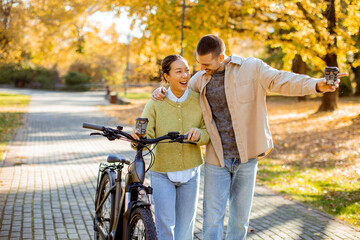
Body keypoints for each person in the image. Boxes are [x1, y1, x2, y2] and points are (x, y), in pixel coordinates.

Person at [151, 35, 345, 240]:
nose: (202, 68)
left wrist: (316, 85)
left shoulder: (251, 68)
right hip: (216, 158)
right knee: (211, 221)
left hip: (247, 159)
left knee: (239, 221)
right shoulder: (199, 79)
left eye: (206, 64)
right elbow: (178, 94)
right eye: (199, 64)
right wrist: (160, 92)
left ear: (222, 57)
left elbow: (282, 80)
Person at [131, 54, 209, 240]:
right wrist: (138, 138)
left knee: (186, 227)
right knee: (165, 226)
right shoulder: (155, 103)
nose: (185, 75)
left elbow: (208, 132)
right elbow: (145, 137)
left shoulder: (199, 100)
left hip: (191, 173)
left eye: (187, 70)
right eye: (179, 71)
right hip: (162, 173)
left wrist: (199, 134)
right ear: (166, 76)